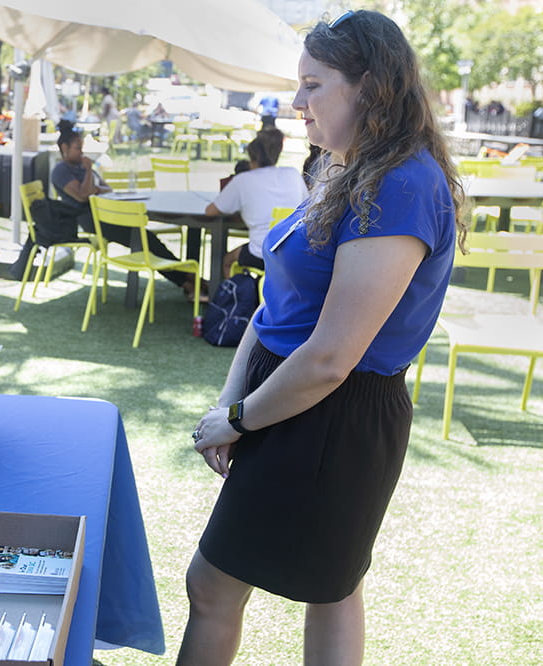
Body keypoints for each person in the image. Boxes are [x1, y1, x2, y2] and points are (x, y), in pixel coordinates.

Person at [179, 10, 465, 665]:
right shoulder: (348, 169)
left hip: (332, 416)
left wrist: (241, 419)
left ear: (371, 87)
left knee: (223, 585)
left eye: (313, 84)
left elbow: (334, 356)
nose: (296, 102)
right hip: (291, 400)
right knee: (329, 592)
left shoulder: (401, 185)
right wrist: (232, 404)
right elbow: (273, 308)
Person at [49, 120, 205, 301]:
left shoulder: (79, 167)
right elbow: (82, 196)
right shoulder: (62, 171)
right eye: (78, 148)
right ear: (64, 148)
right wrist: (90, 173)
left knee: (147, 239)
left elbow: (106, 188)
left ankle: (190, 279)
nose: (82, 152)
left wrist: (94, 187)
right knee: (145, 241)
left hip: (106, 214)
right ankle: (189, 281)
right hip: (92, 220)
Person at [206, 130, 308, 278]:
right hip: (293, 252)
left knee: (228, 261)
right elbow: (306, 204)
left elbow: (211, 211)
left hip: (261, 252)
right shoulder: (292, 174)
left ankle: (232, 298)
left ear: (251, 158)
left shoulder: (243, 180)